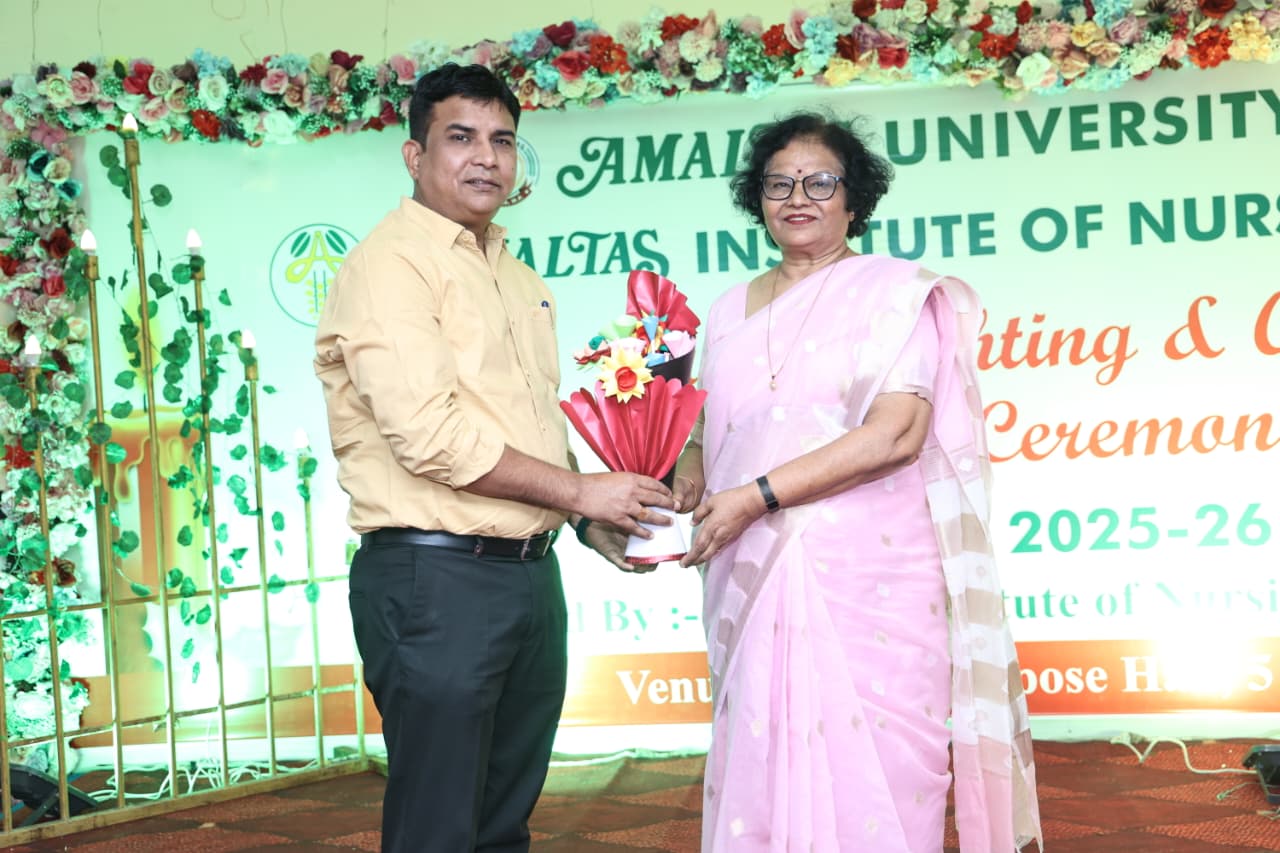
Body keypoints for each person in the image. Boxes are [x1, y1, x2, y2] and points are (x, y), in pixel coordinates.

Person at [314, 63, 673, 853]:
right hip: (436, 580)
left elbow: (529, 421)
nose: (486, 157)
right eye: (461, 137)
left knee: (502, 823)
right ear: (415, 156)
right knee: (439, 828)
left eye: (503, 140)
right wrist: (581, 490)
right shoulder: (390, 265)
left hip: (528, 577)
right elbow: (430, 436)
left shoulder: (515, 274)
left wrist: (585, 520)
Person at [672, 113, 1043, 852]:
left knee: (880, 771)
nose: (797, 198)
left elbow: (896, 433)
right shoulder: (725, 308)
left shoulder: (896, 294)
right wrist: (679, 482)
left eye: (820, 182)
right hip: (748, 565)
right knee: (759, 759)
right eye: (779, 183)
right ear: (756, 196)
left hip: (871, 576)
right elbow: (705, 432)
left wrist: (758, 496)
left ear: (854, 198)